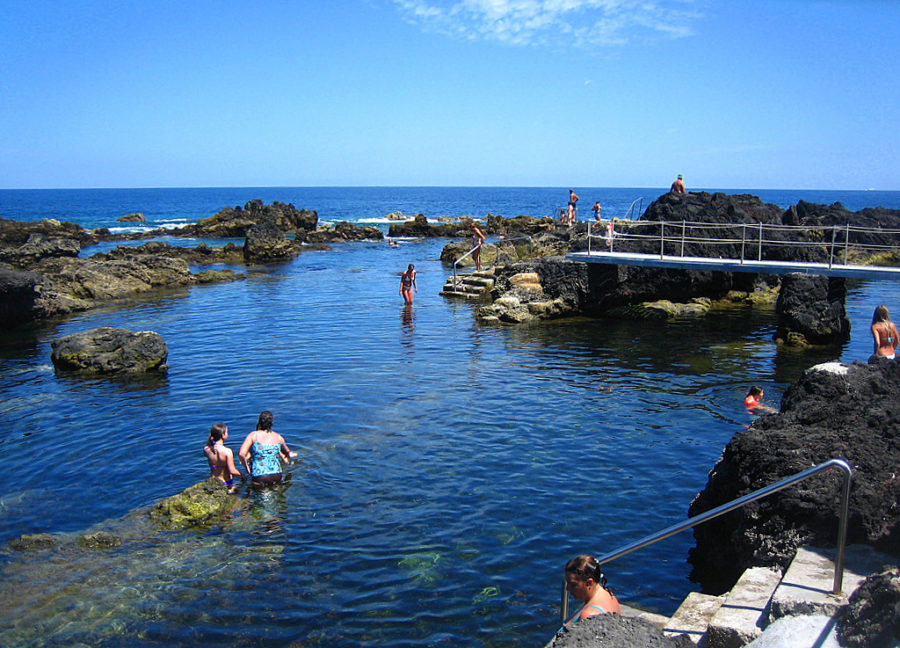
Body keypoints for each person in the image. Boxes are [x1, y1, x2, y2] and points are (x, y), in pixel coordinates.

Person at [238, 411, 297, 485]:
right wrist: (290, 455)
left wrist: (248, 470)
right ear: (271, 423)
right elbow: (287, 452)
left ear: (259, 421)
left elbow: (241, 454)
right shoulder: (278, 437)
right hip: (277, 475)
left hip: (260, 475)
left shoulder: (253, 435)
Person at [562, 555, 621, 628]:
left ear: (589, 582)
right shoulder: (609, 595)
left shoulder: (589, 615)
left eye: (573, 584)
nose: (567, 588)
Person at [203, 422, 245, 492]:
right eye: (226, 432)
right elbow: (232, 471)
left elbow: (209, 445)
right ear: (223, 435)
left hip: (212, 481)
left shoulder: (207, 450)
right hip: (226, 483)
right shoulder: (227, 451)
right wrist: (243, 476)